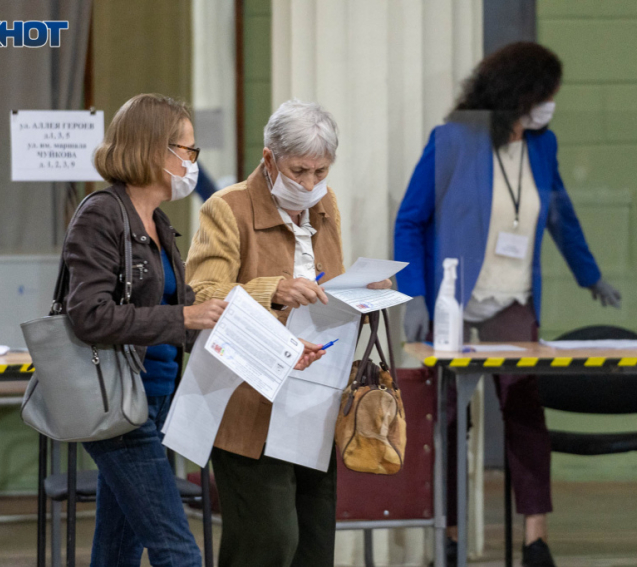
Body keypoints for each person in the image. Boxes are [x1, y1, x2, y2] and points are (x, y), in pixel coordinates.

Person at [394, 42, 620, 567]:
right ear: (522, 91)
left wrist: (591, 276)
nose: (550, 106)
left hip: (512, 298)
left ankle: (535, 537)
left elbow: (561, 216)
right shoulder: (454, 139)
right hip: (454, 298)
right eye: (546, 95)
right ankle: (448, 534)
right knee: (447, 418)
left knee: (523, 409)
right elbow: (411, 219)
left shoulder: (543, 146)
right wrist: (416, 298)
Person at [186, 99, 391, 567]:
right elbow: (201, 296)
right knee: (268, 542)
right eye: (299, 171)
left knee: (315, 544)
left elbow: (327, 286)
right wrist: (272, 290)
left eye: (321, 171)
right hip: (247, 402)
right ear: (268, 158)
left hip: (314, 396)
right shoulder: (227, 208)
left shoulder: (325, 205)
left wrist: (364, 290)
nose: (310, 184)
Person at [63, 93, 233, 567]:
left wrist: (272, 342)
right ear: (157, 150)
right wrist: (183, 318)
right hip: (117, 401)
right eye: (188, 149)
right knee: (178, 551)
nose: (192, 162)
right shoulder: (102, 215)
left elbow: (182, 307)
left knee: (116, 552)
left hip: (155, 397)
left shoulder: (158, 222)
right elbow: (89, 315)